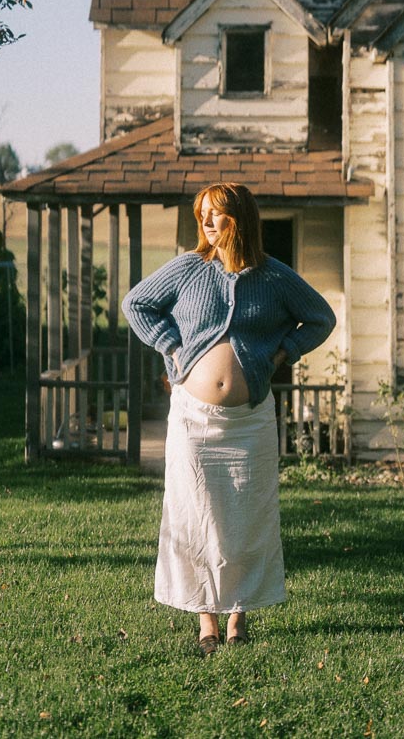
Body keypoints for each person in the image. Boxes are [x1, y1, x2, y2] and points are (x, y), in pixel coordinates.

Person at [122, 182, 336, 656]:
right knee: (195, 512)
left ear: (239, 218)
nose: (206, 222)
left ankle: (238, 614)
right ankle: (206, 621)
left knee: (247, 515)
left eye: (215, 214)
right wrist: (173, 347)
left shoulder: (274, 277)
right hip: (194, 419)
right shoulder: (188, 268)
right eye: (202, 214)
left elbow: (321, 318)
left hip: (249, 420)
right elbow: (136, 304)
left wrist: (283, 353)